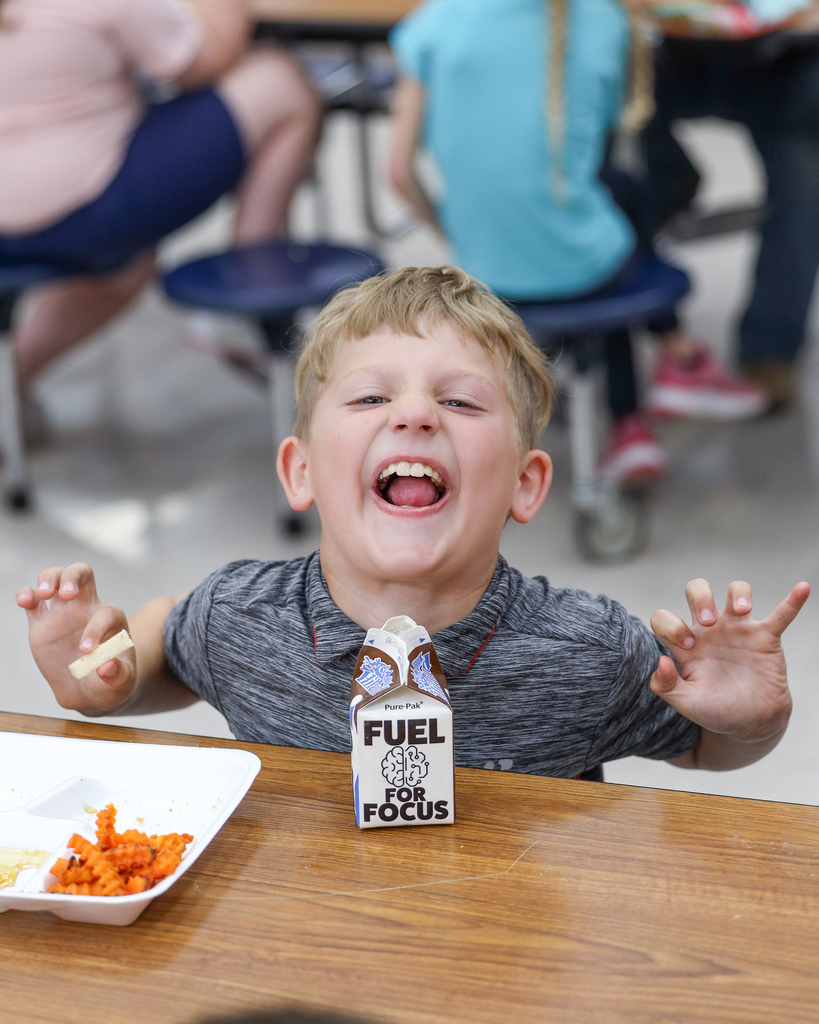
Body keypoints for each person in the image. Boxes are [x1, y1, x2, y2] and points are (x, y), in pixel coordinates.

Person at [17, 265, 811, 782]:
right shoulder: (240, 618)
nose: (415, 416)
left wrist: (753, 722)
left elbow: (708, 747)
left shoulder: (593, 649)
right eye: (369, 399)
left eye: (460, 402)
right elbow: (166, 638)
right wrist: (104, 674)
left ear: (526, 485)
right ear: (299, 471)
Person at [385, 0, 767, 486]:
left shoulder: (434, 21)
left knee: (601, 215)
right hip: (583, 265)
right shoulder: (606, 21)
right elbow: (589, 145)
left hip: (484, 270)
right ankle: (647, 398)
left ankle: (665, 370)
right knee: (613, 211)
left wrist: (456, 237)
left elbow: (397, 171)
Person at [0, 0, 321, 406]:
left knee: (128, 267)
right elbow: (205, 59)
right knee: (279, 80)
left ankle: (10, 382)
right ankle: (252, 286)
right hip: (79, 213)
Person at [633, 0, 819, 411]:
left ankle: (770, 350)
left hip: (782, 57)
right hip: (663, 53)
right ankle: (665, 189)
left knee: (804, 168)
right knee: (608, 108)